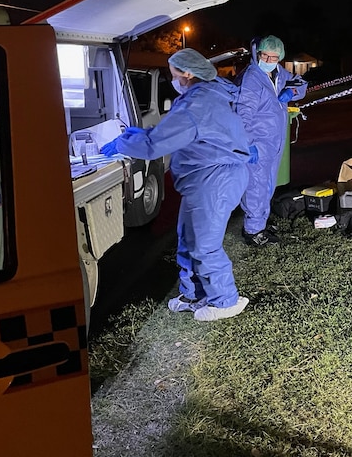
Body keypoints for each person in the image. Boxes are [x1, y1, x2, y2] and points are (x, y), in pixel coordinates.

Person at [99, 48, 256, 321]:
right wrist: (133, 133)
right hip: (207, 178)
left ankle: (225, 300)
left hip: (214, 178)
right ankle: (193, 294)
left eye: (173, 75)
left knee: (204, 243)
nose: (172, 81)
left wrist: (121, 142)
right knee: (188, 238)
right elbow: (163, 134)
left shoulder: (196, 105)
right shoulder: (206, 96)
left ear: (187, 73)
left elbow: (155, 144)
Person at [235, 35, 308, 246]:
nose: (268, 59)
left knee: (267, 185)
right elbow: (243, 114)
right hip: (257, 143)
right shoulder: (251, 79)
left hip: (273, 142)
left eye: (273, 56)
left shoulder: (277, 73)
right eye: (265, 55)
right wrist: (247, 144)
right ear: (258, 53)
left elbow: (301, 83)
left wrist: (291, 91)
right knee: (256, 187)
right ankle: (253, 232)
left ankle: (260, 223)